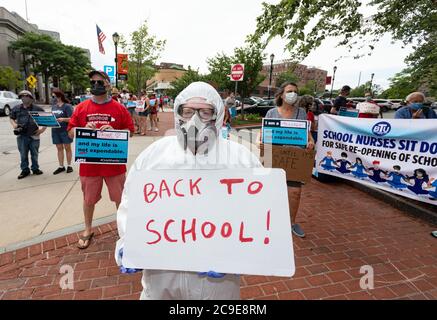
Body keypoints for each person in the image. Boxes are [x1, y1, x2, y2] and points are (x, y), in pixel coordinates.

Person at [115, 82, 262, 300]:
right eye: (188, 111)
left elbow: (259, 212)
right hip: (162, 275)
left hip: (218, 283)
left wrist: (237, 253)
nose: (194, 120)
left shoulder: (241, 159)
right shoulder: (155, 156)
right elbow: (130, 203)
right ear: (178, 113)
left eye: (205, 112)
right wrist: (129, 243)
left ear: (218, 116)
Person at [67, 70, 135, 250]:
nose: (96, 84)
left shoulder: (119, 108)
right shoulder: (81, 108)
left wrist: (113, 131)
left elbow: (130, 131)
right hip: (90, 166)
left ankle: (125, 230)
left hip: (114, 165)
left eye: (100, 81)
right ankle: (88, 229)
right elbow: (70, 131)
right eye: (93, 81)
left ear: (108, 84)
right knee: (89, 199)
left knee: (121, 199)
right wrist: (82, 128)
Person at [263, 82, 315, 238]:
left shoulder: (301, 113)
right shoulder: (271, 113)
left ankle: (291, 222)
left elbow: (307, 134)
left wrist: (311, 141)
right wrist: (260, 140)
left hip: (294, 159)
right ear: (281, 94)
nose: (293, 94)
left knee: (294, 193)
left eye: (295, 91)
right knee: (272, 192)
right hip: (274, 158)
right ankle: (270, 220)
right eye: (290, 91)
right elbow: (263, 132)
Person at [9, 90, 46, 179]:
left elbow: (47, 119)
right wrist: (14, 125)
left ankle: (35, 168)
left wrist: (42, 130)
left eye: (26, 96)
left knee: (35, 153)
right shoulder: (16, 108)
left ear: (30, 98)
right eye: (22, 96)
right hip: (22, 135)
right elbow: (11, 117)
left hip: (34, 134)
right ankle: (25, 170)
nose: (24, 98)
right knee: (23, 154)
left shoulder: (37, 108)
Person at [51, 88, 74, 175]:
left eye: (55, 95)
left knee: (67, 148)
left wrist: (63, 119)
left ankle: (69, 165)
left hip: (65, 130)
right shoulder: (54, 106)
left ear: (59, 95)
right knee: (59, 148)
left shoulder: (67, 106)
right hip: (55, 130)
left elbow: (72, 119)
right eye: (53, 96)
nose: (54, 97)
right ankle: (61, 166)